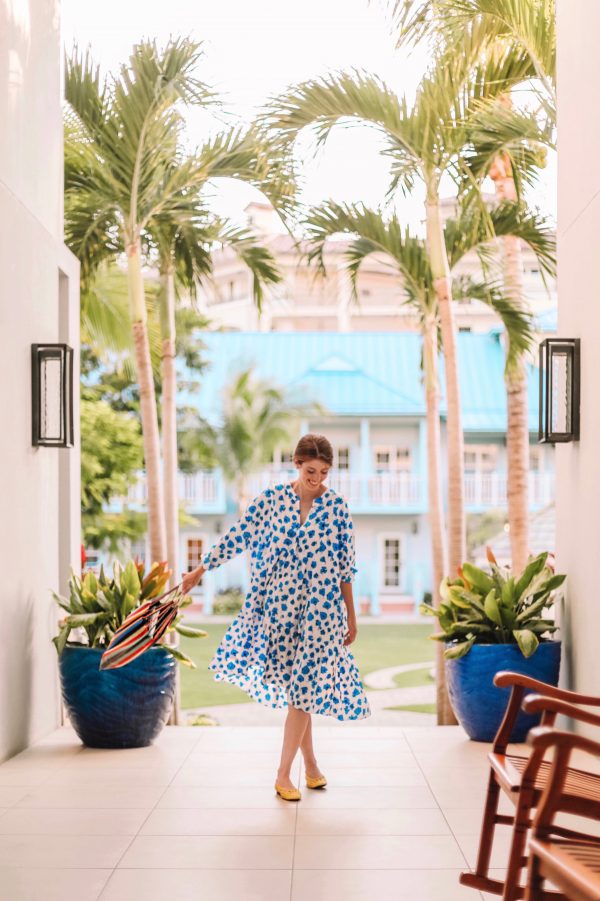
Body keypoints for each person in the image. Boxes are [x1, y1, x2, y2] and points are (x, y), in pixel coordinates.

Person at [181, 432, 371, 801]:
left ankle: (283, 775)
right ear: (297, 464)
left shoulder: (337, 509)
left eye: (325, 473)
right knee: (299, 693)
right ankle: (312, 767)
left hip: (321, 612)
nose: (317, 479)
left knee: (302, 693)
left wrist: (351, 615)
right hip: (279, 610)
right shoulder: (270, 501)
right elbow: (238, 536)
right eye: (311, 470)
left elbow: (347, 567)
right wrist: (200, 570)